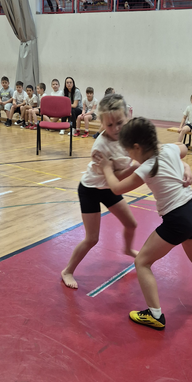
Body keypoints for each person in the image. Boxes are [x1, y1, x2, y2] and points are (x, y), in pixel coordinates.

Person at [95, 117, 192, 329]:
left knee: (142, 262)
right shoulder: (168, 149)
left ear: (137, 147)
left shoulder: (147, 168)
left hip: (177, 219)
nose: (129, 156)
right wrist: (185, 166)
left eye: (129, 151)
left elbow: (116, 188)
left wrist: (107, 168)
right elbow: (183, 148)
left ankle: (154, 314)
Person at [61, 94, 138, 290]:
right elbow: (116, 177)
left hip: (109, 188)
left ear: (127, 116)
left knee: (131, 223)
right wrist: (135, 168)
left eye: (120, 123)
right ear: (102, 123)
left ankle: (128, 249)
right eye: (110, 125)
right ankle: (67, 270)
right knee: (92, 238)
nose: (116, 128)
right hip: (91, 190)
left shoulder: (129, 134)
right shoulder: (100, 147)